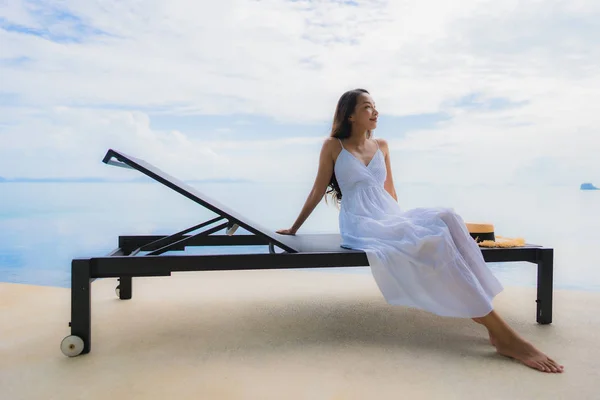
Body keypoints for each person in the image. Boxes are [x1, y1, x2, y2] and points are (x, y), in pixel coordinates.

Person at [276, 88, 564, 373]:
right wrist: (294, 227)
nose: (375, 111)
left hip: (389, 215)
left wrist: (406, 224)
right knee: (436, 241)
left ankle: (479, 304)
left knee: (448, 217)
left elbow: (391, 192)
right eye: (367, 107)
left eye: (375, 106)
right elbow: (316, 190)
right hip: (361, 222)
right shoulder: (333, 146)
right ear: (350, 114)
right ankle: (503, 335)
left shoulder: (383, 146)